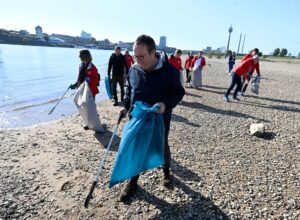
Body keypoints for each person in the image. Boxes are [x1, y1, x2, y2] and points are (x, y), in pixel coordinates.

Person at [118, 34, 185, 202]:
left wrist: (165, 104)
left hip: (160, 119)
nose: (137, 60)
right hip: (137, 118)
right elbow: (129, 89)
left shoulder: (170, 72)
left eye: (141, 56)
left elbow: (178, 93)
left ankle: (166, 172)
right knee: (136, 149)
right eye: (135, 56)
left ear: (153, 52)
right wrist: (125, 106)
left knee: (162, 145)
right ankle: (132, 182)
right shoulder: (134, 69)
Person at [70, 49, 100, 130]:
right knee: (85, 107)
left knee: (90, 107)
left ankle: (94, 123)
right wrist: (75, 84)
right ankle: (89, 122)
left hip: (91, 90)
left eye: (80, 55)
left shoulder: (93, 67)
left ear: (85, 56)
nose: (79, 56)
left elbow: (97, 80)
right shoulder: (81, 65)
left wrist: (89, 80)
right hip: (82, 90)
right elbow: (79, 77)